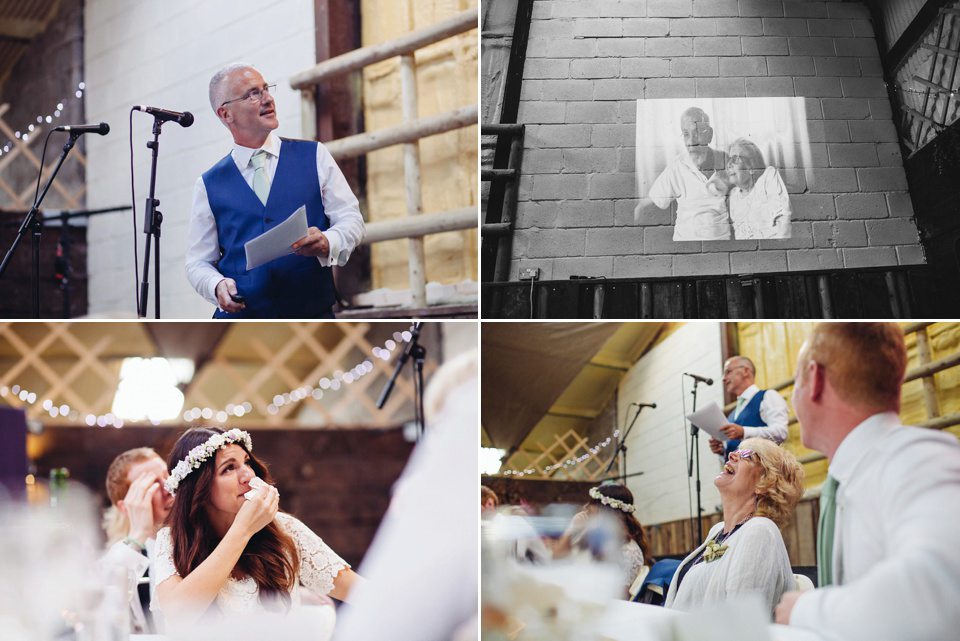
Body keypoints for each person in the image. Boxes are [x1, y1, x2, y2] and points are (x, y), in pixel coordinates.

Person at [775, 323, 960, 641]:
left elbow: (943, 593)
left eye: (795, 382)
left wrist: (805, 610)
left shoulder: (915, 458)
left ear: (815, 379)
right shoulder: (849, 475)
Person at [185, 62, 365, 318]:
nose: (268, 99)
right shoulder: (208, 184)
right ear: (226, 114)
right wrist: (216, 285)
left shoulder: (314, 155)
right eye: (252, 94)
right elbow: (197, 262)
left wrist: (328, 241)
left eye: (266, 89)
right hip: (242, 320)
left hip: (311, 313)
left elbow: (351, 219)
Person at [153, 427, 363, 627]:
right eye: (229, 468)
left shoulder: (283, 528)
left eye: (247, 463)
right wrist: (242, 530)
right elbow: (179, 613)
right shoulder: (170, 541)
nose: (248, 476)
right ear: (199, 487)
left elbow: (359, 592)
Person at [665, 438, 804, 617]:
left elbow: (740, 623)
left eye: (747, 455)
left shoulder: (760, 532)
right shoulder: (718, 531)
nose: (731, 454)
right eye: (736, 451)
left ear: (765, 482)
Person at [101, 447, 174, 633]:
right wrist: (139, 532)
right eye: (152, 485)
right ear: (126, 508)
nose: (169, 488)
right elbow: (104, 612)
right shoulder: (126, 554)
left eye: (169, 476)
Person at [636, 107, 732, 241]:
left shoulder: (726, 161)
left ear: (709, 134)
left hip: (721, 243)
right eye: (686, 134)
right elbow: (645, 207)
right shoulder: (676, 167)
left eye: (697, 132)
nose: (691, 141)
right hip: (686, 244)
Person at [555, 483, 651, 595]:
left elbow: (619, 597)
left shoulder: (629, 551)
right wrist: (572, 528)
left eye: (592, 503)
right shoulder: (592, 536)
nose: (586, 507)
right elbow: (556, 559)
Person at [710, 355, 789, 460]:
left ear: (745, 371)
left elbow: (781, 433)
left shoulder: (767, 396)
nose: (724, 379)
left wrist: (744, 432)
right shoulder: (732, 416)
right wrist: (722, 451)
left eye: (728, 372)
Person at [726, 138, 792, 239]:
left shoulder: (768, 178)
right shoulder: (733, 196)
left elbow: (784, 219)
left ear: (751, 167)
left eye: (735, 159)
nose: (729, 164)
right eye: (728, 159)